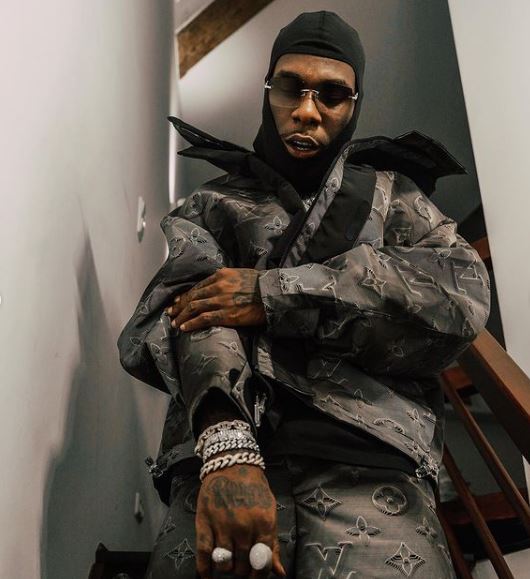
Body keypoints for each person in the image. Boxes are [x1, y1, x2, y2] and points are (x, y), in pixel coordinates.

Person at [118, 11, 490, 579]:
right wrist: (227, 448)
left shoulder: (396, 199)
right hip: (215, 468)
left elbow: (460, 292)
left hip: (374, 462)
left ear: (354, 104)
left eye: (332, 95)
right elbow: (191, 311)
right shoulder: (211, 204)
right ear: (268, 89)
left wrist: (273, 293)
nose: (308, 111)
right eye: (291, 87)